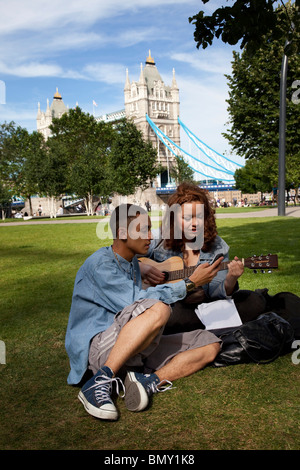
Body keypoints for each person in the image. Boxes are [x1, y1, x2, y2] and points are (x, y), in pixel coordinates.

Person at [65, 203, 223, 421]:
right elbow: (136, 302)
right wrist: (189, 283)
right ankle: (101, 379)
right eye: (144, 230)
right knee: (159, 308)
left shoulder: (132, 264)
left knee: (209, 343)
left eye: (150, 228)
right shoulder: (100, 265)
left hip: (131, 345)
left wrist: (142, 267)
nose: (150, 235)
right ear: (122, 233)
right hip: (98, 351)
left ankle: (147, 382)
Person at [139, 182, 245, 333]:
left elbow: (217, 293)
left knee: (249, 300)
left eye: (199, 217)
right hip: (166, 305)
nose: (195, 223)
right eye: (187, 218)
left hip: (204, 309)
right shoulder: (159, 238)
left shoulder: (218, 247)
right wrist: (142, 268)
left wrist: (231, 279)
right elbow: (121, 258)